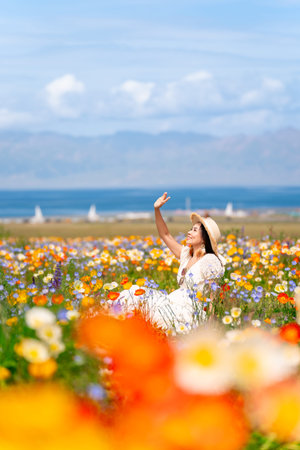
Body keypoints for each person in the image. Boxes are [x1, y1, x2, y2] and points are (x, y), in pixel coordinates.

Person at [118, 192, 225, 333]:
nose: (189, 232)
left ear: (205, 238)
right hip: (172, 302)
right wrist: (157, 210)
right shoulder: (186, 254)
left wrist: (210, 326)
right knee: (133, 295)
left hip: (188, 311)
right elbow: (165, 235)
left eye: (194, 230)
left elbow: (213, 296)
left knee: (153, 319)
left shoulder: (210, 260)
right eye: (190, 229)